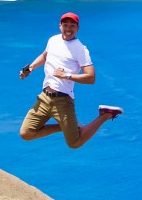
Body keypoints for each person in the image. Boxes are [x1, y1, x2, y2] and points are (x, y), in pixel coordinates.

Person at [18, 11, 123, 148]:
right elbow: (45, 56)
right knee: (26, 133)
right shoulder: (53, 40)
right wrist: (30, 69)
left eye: (72, 25)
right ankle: (67, 126)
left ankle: (106, 115)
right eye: (65, 25)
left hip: (63, 101)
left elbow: (91, 78)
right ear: (60, 26)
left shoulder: (80, 49)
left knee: (74, 143)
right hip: (44, 98)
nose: (68, 28)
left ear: (77, 28)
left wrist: (66, 75)